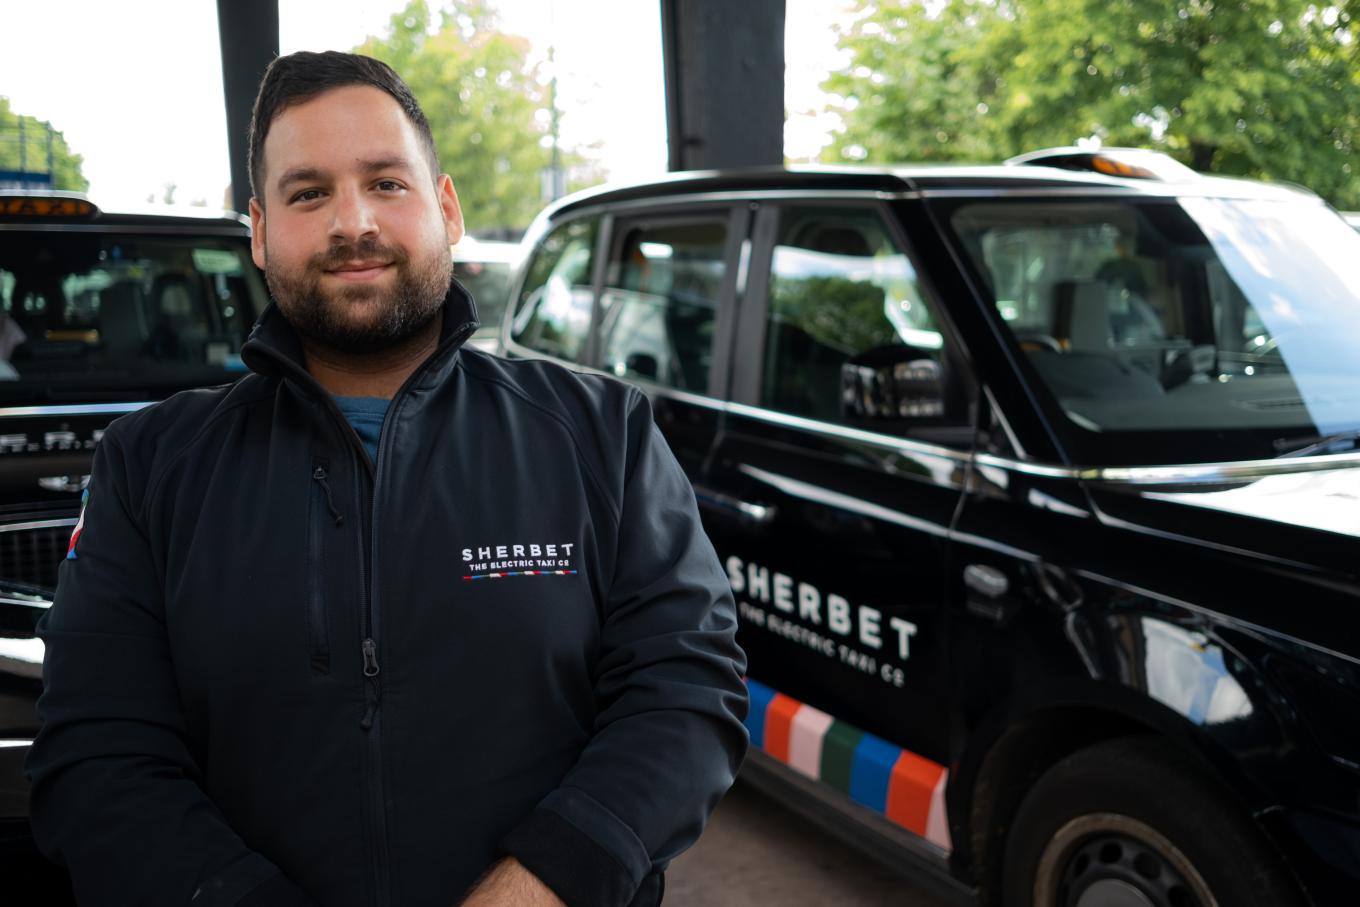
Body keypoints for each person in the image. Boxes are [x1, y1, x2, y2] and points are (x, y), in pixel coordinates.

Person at [26, 50, 748, 907]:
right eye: (308, 193)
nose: (353, 221)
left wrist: (547, 880)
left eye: (386, 182)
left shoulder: (602, 435)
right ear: (258, 231)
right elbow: (96, 758)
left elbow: (687, 688)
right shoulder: (149, 467)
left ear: (446, 208)